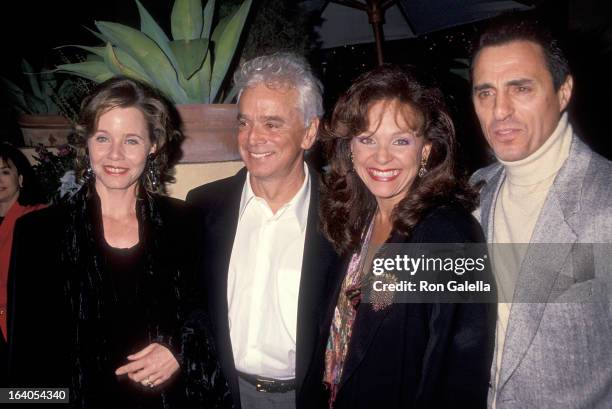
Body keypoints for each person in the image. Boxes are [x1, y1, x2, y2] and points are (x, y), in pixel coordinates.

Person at [8, 77, 231, 408]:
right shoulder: (38, 233)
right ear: (86, 141)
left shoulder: (187, 222)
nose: (115, 155)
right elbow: (24, 360)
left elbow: (213, 315)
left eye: (131, 140)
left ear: (153, 144)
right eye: (103, 138)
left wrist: (181, 350)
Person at [313, 64, 495, 409]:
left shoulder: (447, 234)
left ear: (425, 151)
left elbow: (458, 376)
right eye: (367, 139)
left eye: (400, 140)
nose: (382, 157)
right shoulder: (356, 220)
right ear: (350, 148)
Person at [470, 16, 612, 408]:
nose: (500, 111)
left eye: (521, 89)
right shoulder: (474, 193)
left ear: (563, 91)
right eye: (485, 93)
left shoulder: (605, 203)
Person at [186, 53, 338, 409]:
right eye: (244, 123)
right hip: (223, 393)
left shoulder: (344, 215)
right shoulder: (203, 206)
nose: (252, 138)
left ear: (310, 131)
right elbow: (189, 302)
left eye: (271, 124)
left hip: (307, 400)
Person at [0, 143, 45, 383]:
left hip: (22, 326)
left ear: (20, 177)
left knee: (24, 397)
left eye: (5, 171)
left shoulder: (40, 218)